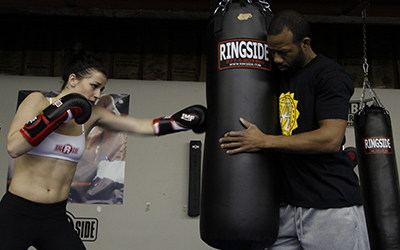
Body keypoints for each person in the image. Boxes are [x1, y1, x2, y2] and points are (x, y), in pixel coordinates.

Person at [0, 44, 206, 250]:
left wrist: (180, 122)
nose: (98, 94)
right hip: (17, 212)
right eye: (94, 85)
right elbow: (14, 147)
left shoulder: (92, 115)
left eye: (102, 89)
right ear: (72, 80)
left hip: (54, 216)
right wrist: (57, 114)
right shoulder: (38, 101)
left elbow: (139, 126)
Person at [219, 10, 370, 250]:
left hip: (329, 207)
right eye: (272, 52)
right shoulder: (280, 76)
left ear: (305, 43)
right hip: (286, 209)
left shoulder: (329, 75)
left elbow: (331, 138)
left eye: (284, 52)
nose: (277, 59)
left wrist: (265, 141)